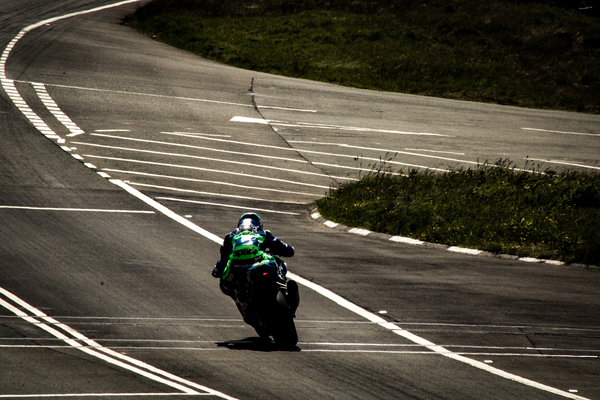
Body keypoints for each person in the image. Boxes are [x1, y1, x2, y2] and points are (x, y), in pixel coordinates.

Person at [212, 213, 298, 335]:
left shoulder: (230, 236)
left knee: (225, 284)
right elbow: (287, 250)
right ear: (258, 224)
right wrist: (290, 250)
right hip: (258, 264)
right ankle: (282, 284)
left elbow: (223, 260)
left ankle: (244, 304)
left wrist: (217, 270)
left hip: (236, 270)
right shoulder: (263, 233)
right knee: (279, 262)